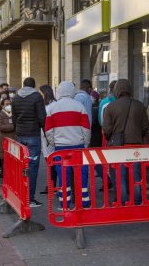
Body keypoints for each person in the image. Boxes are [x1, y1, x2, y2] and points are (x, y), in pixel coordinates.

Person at [45, 81, 91, 209]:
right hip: (78, 146)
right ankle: (84, 203)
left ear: (58, 92)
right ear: (72, 91)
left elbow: (48, 131)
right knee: (81, 176)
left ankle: (64, 204)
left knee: (63, 176)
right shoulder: (79, 106)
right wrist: (85, 144)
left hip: (60, 148)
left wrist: (54, 143)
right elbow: (86, 129)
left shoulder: (51, 108)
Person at [103, 79, 149, 205]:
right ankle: (138, 199)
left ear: (117, 90)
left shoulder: (111, 107)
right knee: (136, 175)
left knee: (120, 175)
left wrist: (110, 138)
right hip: (135, 146)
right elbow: (145, 127)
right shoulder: (140, 105)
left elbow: (106, 130)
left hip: (118, 147)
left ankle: (122, 200)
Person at [12, 77, 46, 207]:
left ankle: (21, 194)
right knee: (32, 167)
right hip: (33, 134)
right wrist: (45, 130)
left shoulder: (16, 97)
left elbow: (14, 117)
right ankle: (30, 198)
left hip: (20, 134)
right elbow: (42, 117)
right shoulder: (37, 97)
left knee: (21, 166)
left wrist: (17, 129)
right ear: (34, 85)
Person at [89, 90, 113, 191]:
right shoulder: (100, 107)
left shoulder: (94, 109)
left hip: (95, 139)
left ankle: (107, 181)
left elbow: (97, 123)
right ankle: (107, 181)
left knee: (95, 160)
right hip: (100, 137)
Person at [38, 85, 57, 195]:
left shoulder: (52, 106)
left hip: (50, 138)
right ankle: (51, 186)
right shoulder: (44, 105)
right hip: (44, 138)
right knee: (50, 163)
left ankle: (51, 186)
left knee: (52, 163)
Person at [0, 98, 16, 169]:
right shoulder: (0, 115)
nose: (9, 106)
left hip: (14, 141)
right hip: (5, 141)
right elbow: (0, 127)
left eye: (10, 104)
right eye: (7, 104)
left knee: (15, 162)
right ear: (2, 106)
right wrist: (13, 126)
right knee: (6, 163)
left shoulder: (14, 114)